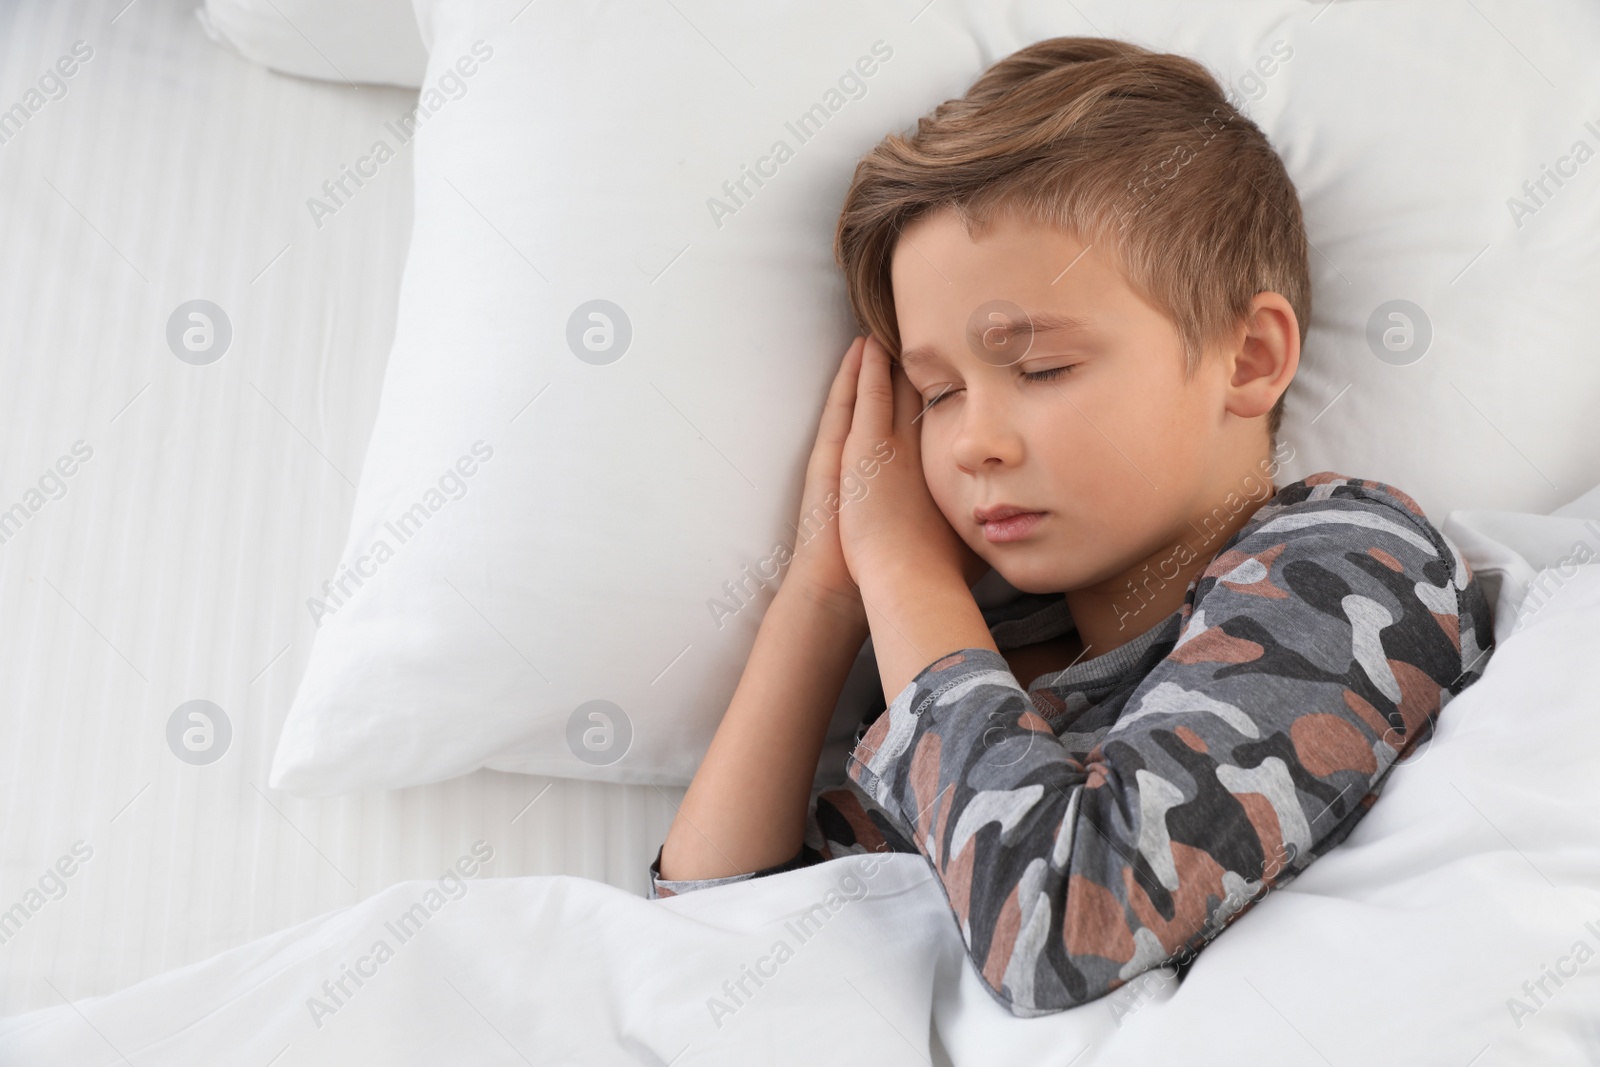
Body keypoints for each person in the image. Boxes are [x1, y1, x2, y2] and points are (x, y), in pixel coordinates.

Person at [648, 36, 1494, 1016]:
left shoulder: (1357, 560)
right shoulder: (987, 679)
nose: (971, 441)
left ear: (1249, 356)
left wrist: (903, 574)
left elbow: (1062, 926)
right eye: (936, 392)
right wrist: (825, 591)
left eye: (1041, 368)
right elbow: (710, 951)